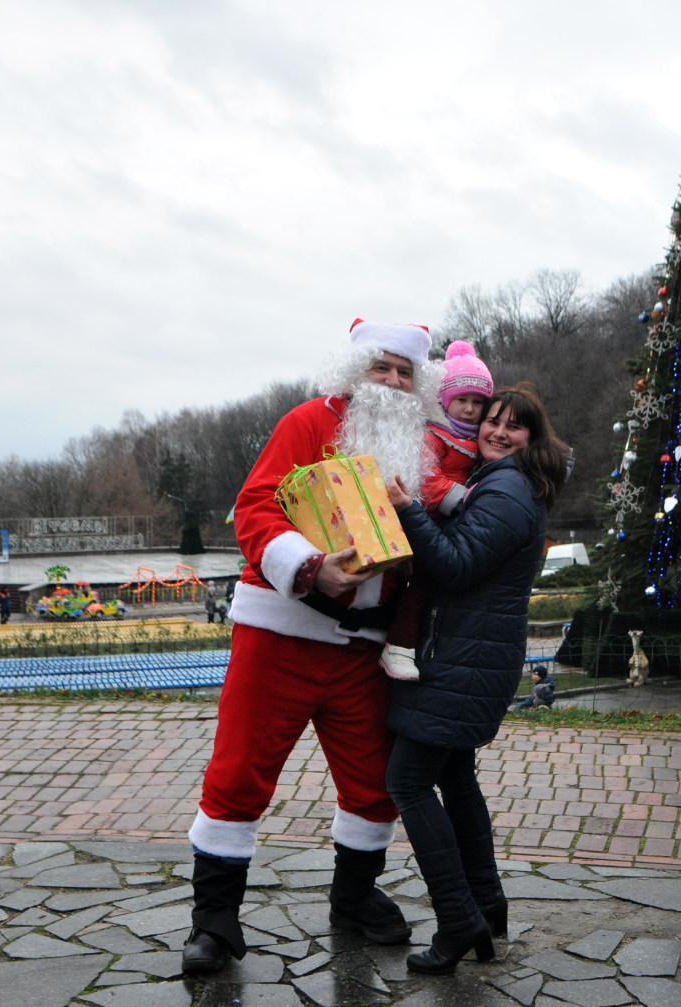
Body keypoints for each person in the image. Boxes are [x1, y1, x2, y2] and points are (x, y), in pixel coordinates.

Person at [182, 319, 436, 975]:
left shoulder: (421, 448)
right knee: (239, 773)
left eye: (405, 372)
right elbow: (255, 507)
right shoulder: (306, 422)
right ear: (355, 369)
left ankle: (351, 897)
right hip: (281, 637)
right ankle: (214, 921)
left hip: (363, 652)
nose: (392, 381)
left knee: (374, 784)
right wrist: (308, 566)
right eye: (381, 367)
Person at [384, 382, 570, 975]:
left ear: (531, 438)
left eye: (513, 425)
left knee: (409, 782)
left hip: (463, 660)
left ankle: (457, 917)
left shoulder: (507, 490)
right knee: (457, 778)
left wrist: (409, 509)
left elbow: (458, 566)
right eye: (491, 419)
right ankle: (487, 903)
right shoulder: (511, 484)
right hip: (476, 656)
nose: (496, 430)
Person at [380, 340, 494, 681]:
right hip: (428, 520)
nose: (470, 410)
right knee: (421, 587)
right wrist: (464, 499)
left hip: (451, 525)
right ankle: (397, 648)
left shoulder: (479, 439)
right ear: (445, 400)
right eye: (462, 400)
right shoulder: (436, 435)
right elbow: (426, 479)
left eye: (478, 402)